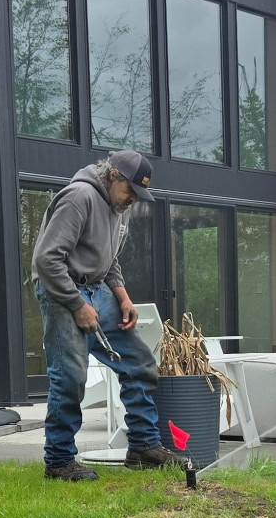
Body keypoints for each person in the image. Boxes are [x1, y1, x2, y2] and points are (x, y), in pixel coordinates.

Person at [31, 150, 175, 482]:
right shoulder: (79, 197)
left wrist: (122, 296)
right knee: (70, 377)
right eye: (131, 193)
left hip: (98, 289)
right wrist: (78, 305)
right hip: (62, 291)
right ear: (113, 177)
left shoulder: (117, 206)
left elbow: (109, 260)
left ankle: (142, 447)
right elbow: (47, 260)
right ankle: (59, 462)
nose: (133, 202)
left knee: (139, 363)